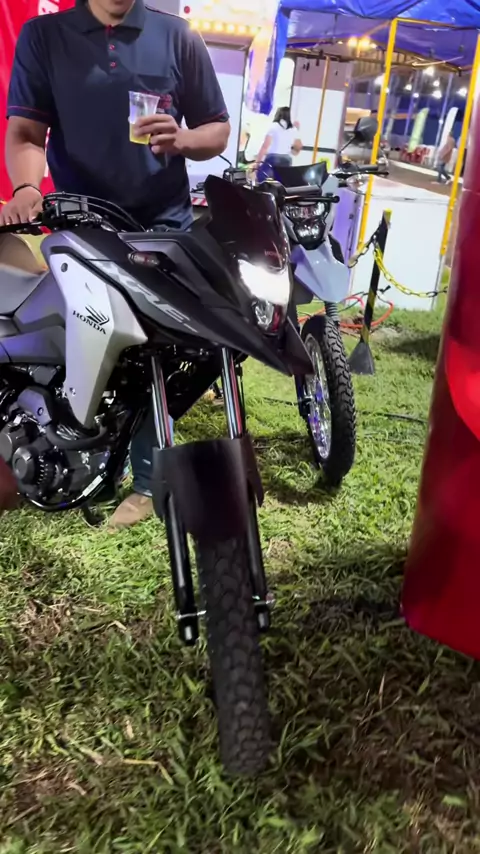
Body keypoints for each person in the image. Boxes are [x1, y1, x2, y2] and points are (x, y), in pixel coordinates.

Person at [0, 0, 230, 528]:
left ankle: (148, 482)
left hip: (163, 228)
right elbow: (27, 131)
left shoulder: (178, 37)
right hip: (82, 228)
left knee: (158, 356)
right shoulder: (45, 36)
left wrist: (184, 139)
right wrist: (28, 186)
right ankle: (92, 464)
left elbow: (216, 128)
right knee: (91, 348)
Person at [255, 107, 302, 182]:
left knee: (262, 179)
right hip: (287, 160)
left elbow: (265, 147)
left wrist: (257, 164)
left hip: (273, 158)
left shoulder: (274, 126)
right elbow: (298, 148)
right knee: (281, 182)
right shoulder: (293, 129)